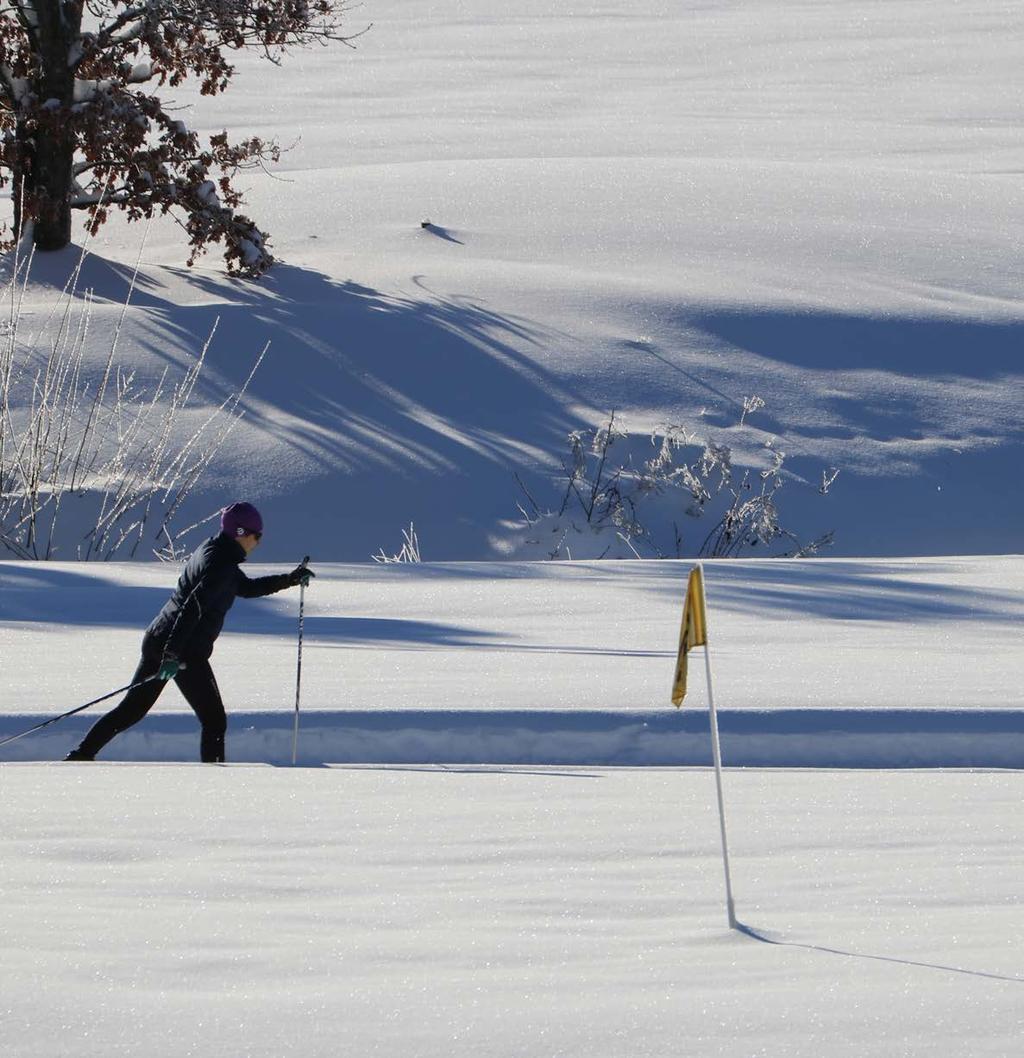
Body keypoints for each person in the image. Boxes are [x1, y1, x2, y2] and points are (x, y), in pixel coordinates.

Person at [64, 502, 314, 764]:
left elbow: (246, 588)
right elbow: (190, 610)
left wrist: (290, 578)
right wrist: (172, 654)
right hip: (183, 649)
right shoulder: (220, 566)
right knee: (214, 721)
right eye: (257, 535)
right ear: (241, 532)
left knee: (131, 711)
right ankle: (213, 777)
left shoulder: (215, 552)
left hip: (160, 638)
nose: (258, 542)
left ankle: (81, 755)